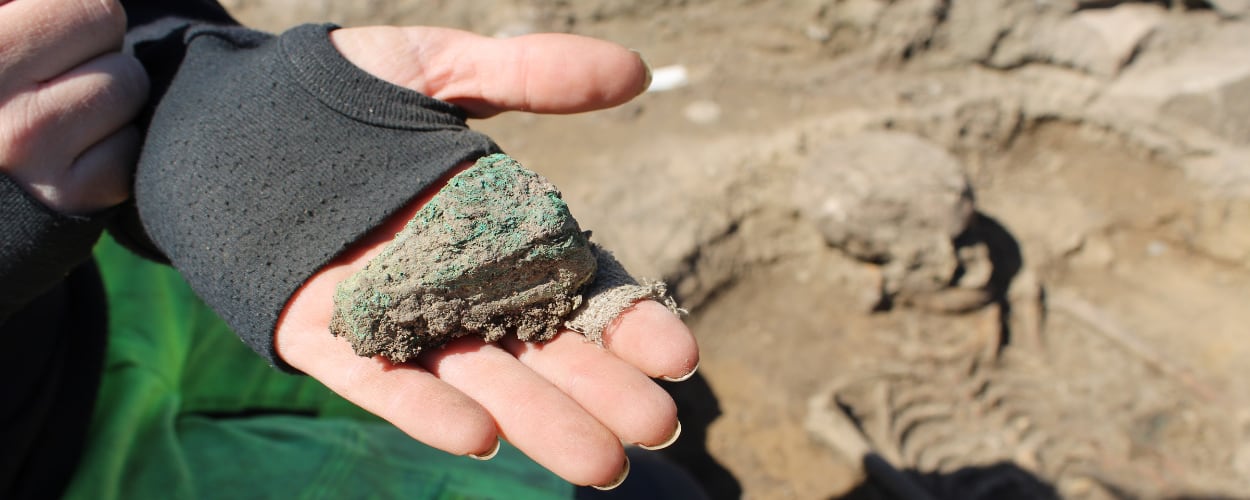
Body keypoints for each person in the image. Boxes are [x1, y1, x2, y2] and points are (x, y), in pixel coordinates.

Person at [0, 0, 703, 497]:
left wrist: (186, 86)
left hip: (119, 268)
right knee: (645, 495)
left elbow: (77, 21)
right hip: (48, 471)